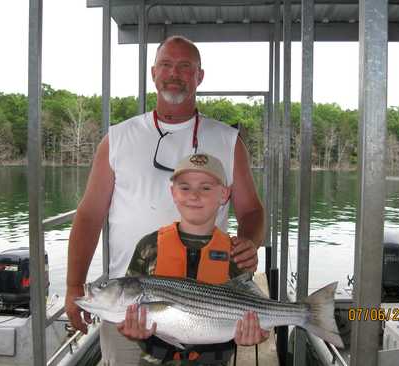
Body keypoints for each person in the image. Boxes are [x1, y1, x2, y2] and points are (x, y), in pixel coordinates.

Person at [65, 35, 265, 365]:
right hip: (127, 311)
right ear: (154, 73)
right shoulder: (117, 138)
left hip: (207, 311)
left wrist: (250, 241)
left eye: (185, 67)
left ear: (199, 77)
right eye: (167, 65)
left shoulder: (228, 140)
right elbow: (88, 216)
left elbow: (252, 210)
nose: (175, 73)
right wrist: (74, 285)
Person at [118, 152, 269, 365]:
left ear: (224, 194)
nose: (194, 195)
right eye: (185, 187)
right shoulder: (148, 247)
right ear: (173, 193)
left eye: (206, 188)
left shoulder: (235, 252)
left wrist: (255, 333)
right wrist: (132, 330)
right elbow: (129, 308)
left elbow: (251, 304)